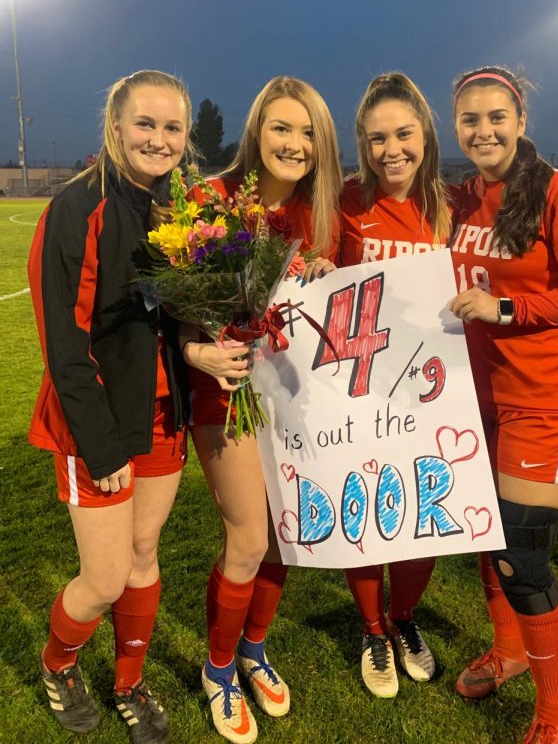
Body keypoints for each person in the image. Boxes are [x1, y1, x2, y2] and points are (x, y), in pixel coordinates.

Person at [28, 70, 194, 743]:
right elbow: (63, 347)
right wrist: (101, 446)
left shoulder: (178, 209)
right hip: (95, 424)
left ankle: (128, 680)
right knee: (104, 576)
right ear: (117, 127)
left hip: (161, 417)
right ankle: (58, 664)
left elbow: (173, 316)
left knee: (144, 553)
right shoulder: (78, 208)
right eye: (145, 124)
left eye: (172, 127)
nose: (159, 138)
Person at [448, 66, 558, 744]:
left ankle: (554, 711)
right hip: (467, 398)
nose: (482, 130)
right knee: (489, 539)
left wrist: (502, 307)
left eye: (494, 117)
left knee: (523, 557)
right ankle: (508, 649)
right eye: (468, 120)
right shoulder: (456, 199)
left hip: (539, 400)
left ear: (518, 121)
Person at [182, 76, 342, 743]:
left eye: (307, 132)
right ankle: (218, 669)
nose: (295, 144)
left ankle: (253, 647)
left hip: (294, 399)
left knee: (283, 533)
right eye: (281, 128)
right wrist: (198, 352)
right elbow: (168, 310)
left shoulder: (322, 212)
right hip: (224, 397)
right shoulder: (209, 200)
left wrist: (327, 269)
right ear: (256, 132)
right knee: (248, 537)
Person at [339, 72, 452, 698]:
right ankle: (372, 627)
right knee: (368, 503)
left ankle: (404, 618)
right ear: (363, 143)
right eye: (377, 138)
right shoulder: (347, 202)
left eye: (403, 134)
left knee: (422, 511)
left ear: (424, 133)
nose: (392, 150)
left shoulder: (448, 205)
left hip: (433, 391)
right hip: (361, 392)